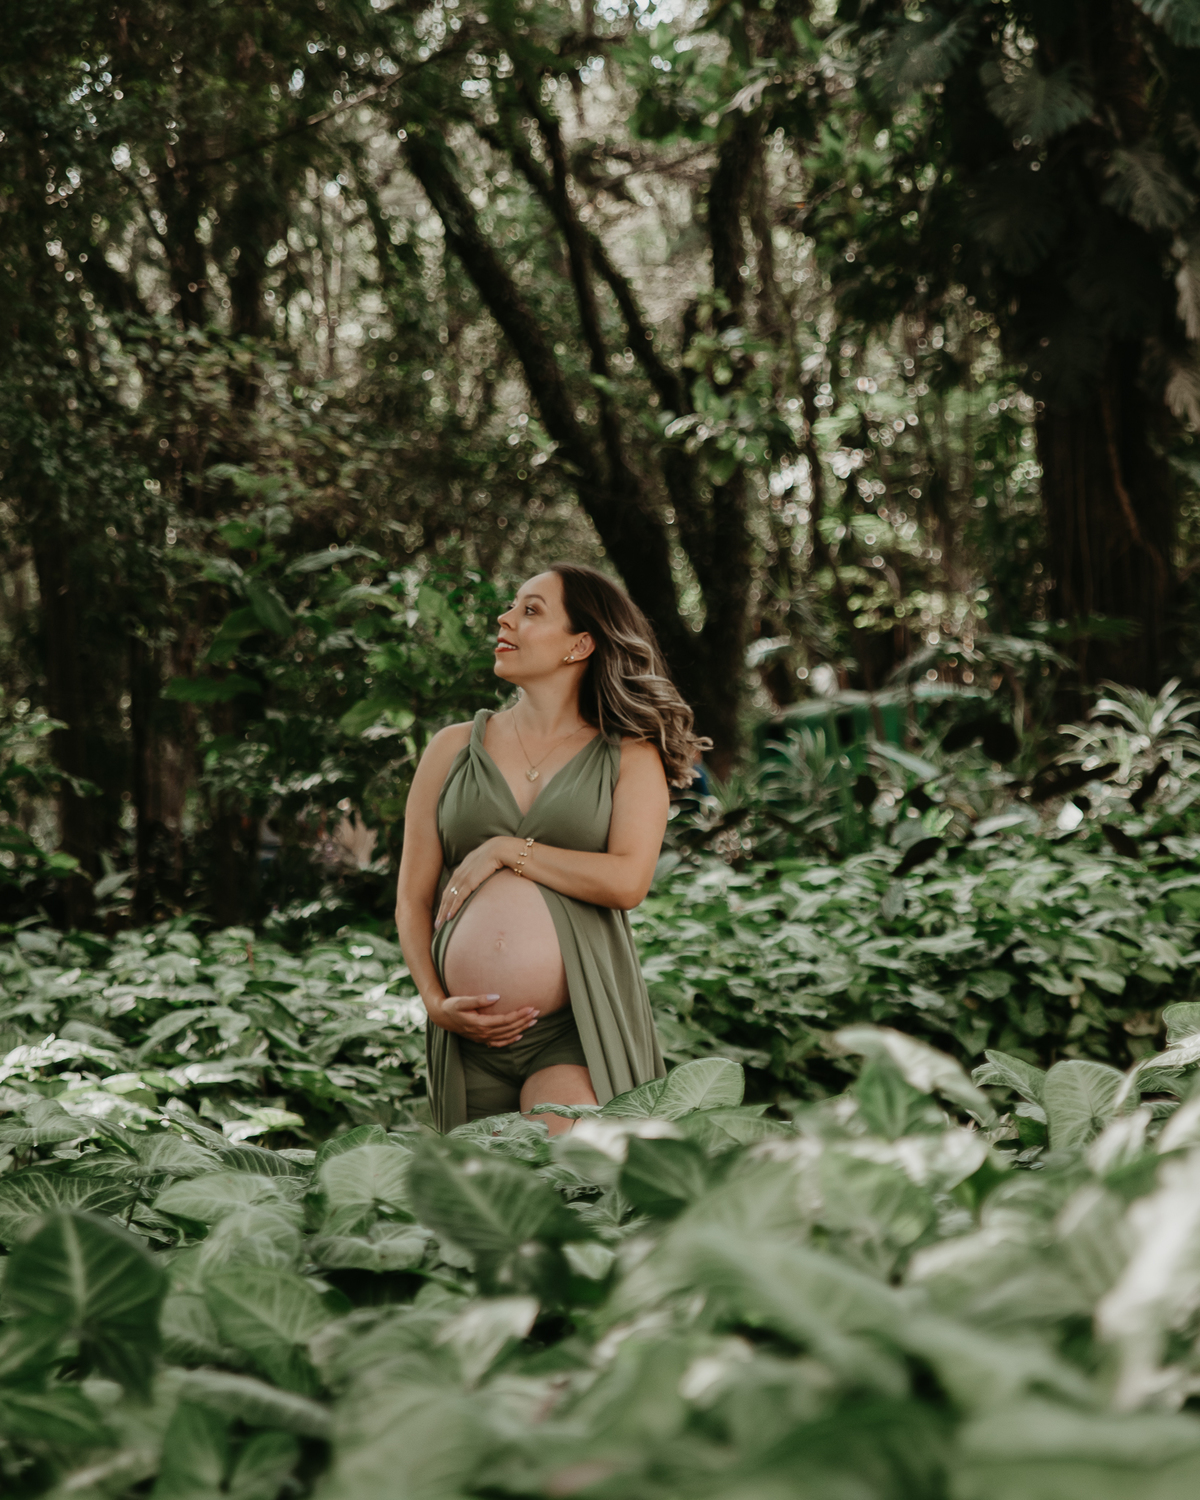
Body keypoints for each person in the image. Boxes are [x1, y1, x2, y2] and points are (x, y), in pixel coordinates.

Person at [395, 562, 709, 1134]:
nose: (505, 618)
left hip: (577, 1027)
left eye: (530, 610)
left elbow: (627, 882)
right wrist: (435, 1002)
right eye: (513, 606)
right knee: (488, 1210)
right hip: (465, 1036)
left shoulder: (629, 756)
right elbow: (412, 899)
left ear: (580, 644)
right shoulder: (449, 750)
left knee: (571, 1183)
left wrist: (505, 850)